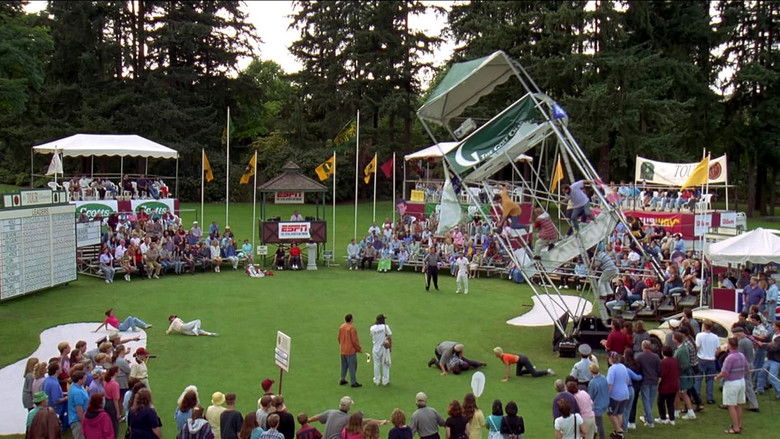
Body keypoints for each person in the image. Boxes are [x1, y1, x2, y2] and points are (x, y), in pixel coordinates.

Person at [715, 337, 750, 434]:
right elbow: (747, 369)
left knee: (731, 405)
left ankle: (736, 428)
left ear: (730, 345)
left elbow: (724, 372)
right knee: (738, 405)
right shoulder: (741, 355)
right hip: (741, 381)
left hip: (732, 383)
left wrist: (717, 377)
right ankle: (738, 425)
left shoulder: (729, 358)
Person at [731, 327, 760, 412]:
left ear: (738, 334)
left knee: (747, 385)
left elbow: (739, 356)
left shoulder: (741, 342)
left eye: (734, 335)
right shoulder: (748, 340)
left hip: (744, 366)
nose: (734, 337)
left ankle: (754, 405)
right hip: (750, 363)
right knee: (746, 384)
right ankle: (745, 400)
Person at [635, 340, 660, 428]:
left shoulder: (639, 357)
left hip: (645, 381)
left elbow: (637, 369)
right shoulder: (656, 356)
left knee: (646, 401)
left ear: (643, 347)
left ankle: (650, 420)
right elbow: (659, 369)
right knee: (650, 401)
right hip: (654, 380)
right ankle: (647, 417)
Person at [672, 332, 697, 420]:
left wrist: (677, 373)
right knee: (681, 394)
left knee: (682, 393)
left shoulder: (681, 350)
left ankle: (685, 412)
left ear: (676, 340)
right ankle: (678, 412)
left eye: (673, 337)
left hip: (682, 376)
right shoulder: (681, 348)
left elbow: (684, 365)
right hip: (682, 375)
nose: (672, 339)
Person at [694, 321, 719, 404]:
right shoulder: (715, 337)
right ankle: (710, 398)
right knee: (710, 380)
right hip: (711, 360)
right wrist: (714, 355)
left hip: (701, 358)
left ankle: (697, 397)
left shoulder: (699, 335)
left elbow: (697, 347)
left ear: (704, 326)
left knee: (698, 379)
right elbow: (718, 349)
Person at [605, 353, 629, 438]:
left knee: (611, 413)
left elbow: (610, 384)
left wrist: (607, 395)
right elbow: (627, 380)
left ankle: (619, 430)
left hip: (615, 395)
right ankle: (618, 432)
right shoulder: (623, 367)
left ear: (611, 359)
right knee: (619, 413)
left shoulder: (612, 368)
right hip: (625, 393)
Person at [338, 314, 363, 387]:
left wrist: (342, 344)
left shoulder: (341, 326)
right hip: (350, 351)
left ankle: (342, 379)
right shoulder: (352, 328)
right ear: (351, 319)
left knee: (344, 366)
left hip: (343, 350)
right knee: (352, 367)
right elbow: (354, 341)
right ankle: (353, 382)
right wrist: (359, 349)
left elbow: (338, 338)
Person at [369, 314, 392, 386]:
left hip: (375, 347)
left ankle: (377, 380)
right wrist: (390, 347)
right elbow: (389, 337)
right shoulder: (385, 327)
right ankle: (385, 381)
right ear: (382, 320)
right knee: (385, 364)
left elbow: (373, 336)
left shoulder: (372, 328)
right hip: (384, 348)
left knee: (376, 364)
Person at [586, 364, 607, 439]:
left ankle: (602, 437)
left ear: (591, 372)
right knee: (597, 421)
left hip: (598, 405)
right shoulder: (603, 378)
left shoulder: (592, 382)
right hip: (605, 402)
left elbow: (590, 396)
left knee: (599, 423)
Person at [68, 370, 89, 439]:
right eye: (84, 378)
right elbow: (79, 409)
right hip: (77, 420)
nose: (86, 380)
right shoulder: (77, 392)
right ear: (80, 380)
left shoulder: (76, 386)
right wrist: (83, 422)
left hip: (79, 418)